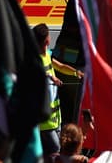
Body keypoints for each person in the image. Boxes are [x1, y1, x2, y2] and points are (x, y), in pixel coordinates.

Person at [34, 23, 83, 156]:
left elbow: (60, 67)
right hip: (45, 122)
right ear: (47, 40)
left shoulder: (48, 55)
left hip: (55, 117)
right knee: (56, 153)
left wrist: (75, 73)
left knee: (54, 155)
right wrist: (51, 78)